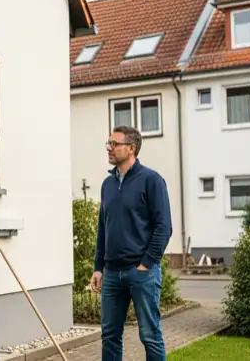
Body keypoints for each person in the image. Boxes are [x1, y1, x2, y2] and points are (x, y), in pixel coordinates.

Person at [90, 125, 173, 361]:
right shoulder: (108, 184)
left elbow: (163, 227)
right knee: (110, 336)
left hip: (141, 272)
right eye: (109, 143)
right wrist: (98, 267)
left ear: (131, 148)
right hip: (112, 274)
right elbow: (103, 228)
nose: (110, 148)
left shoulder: (152, 180)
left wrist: (145, 265)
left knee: (149, 335)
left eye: (115, 144)